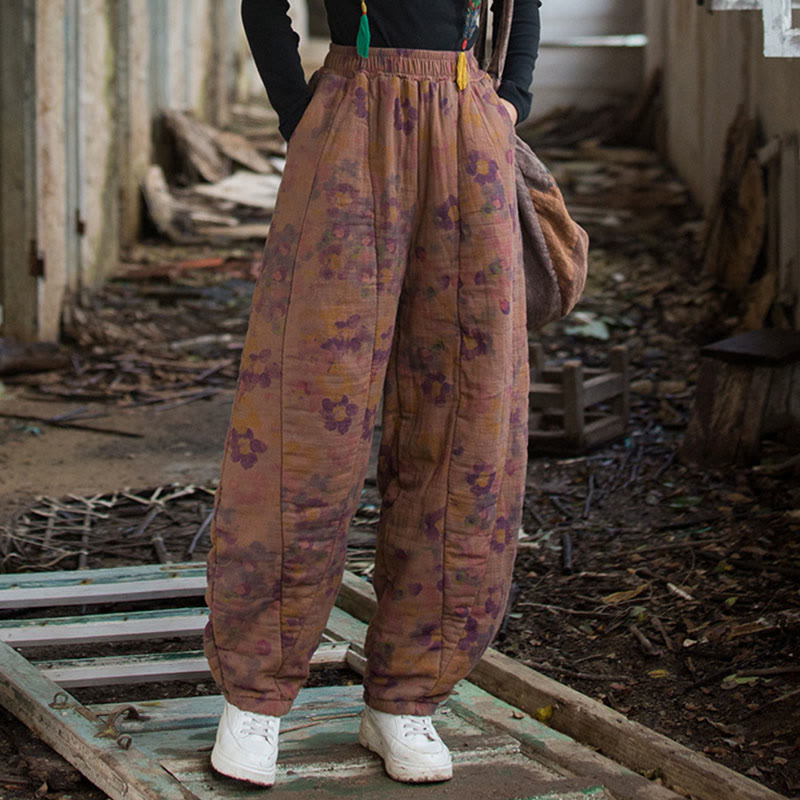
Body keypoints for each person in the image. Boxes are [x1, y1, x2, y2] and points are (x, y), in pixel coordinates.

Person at [204, 0, 541, 787]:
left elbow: (524, 7)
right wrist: (300, 112)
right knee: (304, 416)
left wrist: (508, 106)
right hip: (350, 125)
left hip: (468, 131)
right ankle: (254, 699)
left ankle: (406, 698)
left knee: (466, 415)